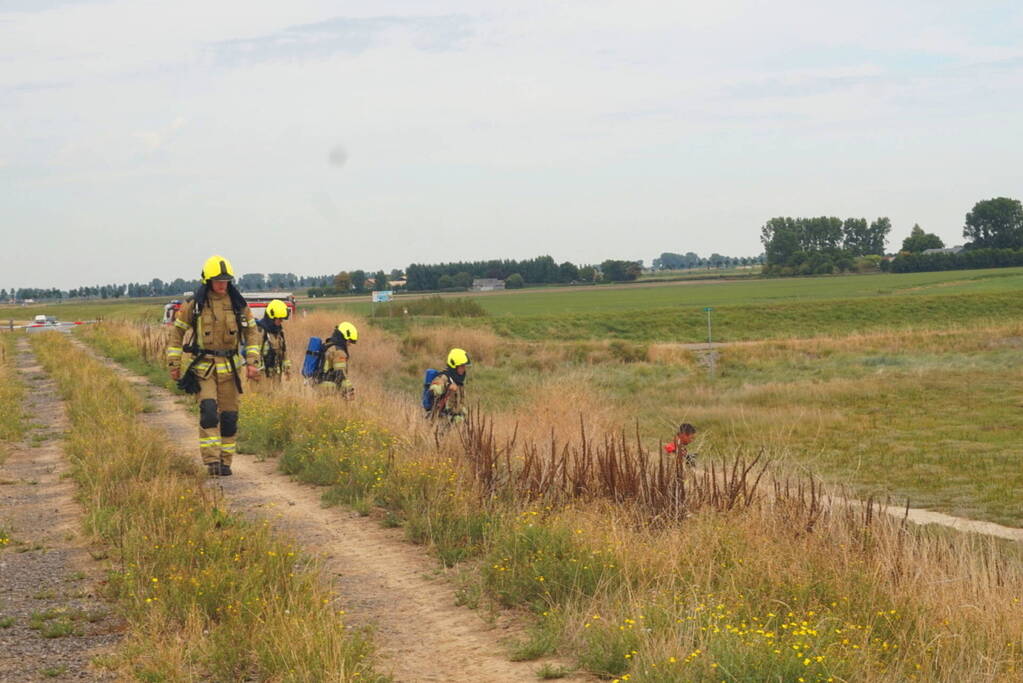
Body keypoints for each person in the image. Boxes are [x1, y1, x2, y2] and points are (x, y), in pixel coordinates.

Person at [166, 255, 261, 476]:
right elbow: (177, 332)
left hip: (230, 369)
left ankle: (226, 461)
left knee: (229, 417)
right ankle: (212, 461)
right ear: (208, 281)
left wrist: (252, 362)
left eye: (226, 280)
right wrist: (174, 363)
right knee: (209, 412)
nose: (222, 284)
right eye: (218, 280)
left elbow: (252, 332)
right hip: (204, 369)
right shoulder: (195, 305)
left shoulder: (238, 305)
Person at [427, 348, 470, 424]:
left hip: (454, 423)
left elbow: (459, 404)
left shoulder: (458, 382)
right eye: (462, 366)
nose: (464, 369)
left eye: (464, 366)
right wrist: (447, 386)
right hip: (440, 422)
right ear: (454, 365)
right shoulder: (444, 377)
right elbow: (433, 390)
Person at [321, 322, 357, 399]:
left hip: (317, 382)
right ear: (344, 338)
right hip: (326, 386)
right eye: (349, 341)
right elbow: (340, 374)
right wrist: (350, 390)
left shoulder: (329, 345)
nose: (349, 344)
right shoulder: (339, 352)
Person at [258, 299, 291, 382]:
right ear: (271, 317)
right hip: (263, 377)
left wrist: (287, 369)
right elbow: (255, 354)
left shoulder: (279, 332)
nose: (281, 321)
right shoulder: (260, 331)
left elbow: (283, 351)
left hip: (276, 375)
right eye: (279, 319)